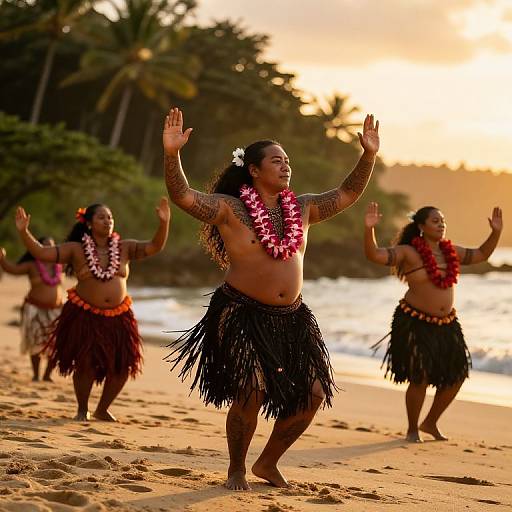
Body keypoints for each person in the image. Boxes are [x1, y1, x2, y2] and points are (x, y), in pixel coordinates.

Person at [162, 107, 380, 490]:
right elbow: (182, 196)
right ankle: (236, 468)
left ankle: (268, 462)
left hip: (293, 319)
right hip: (241, 312)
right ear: (254, 170)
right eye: (277, 161)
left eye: (288, 161)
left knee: (313, 393)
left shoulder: (305, 207)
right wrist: (171, 154)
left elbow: (348, 194)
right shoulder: (231, 210)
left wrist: (368, 156)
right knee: (251, 388)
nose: (286, 167)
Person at [14, 198, 171, 421]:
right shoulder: (76, 250)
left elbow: (154, 246)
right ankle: (82, 409)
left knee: (122, 366)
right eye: (101, 217)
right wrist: (24, 232)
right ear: (89, 223)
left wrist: (163, 223)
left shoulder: (125, 247)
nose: (107, 221)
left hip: (119, 316)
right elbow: (41, 253)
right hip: (85, 316)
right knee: (85, 363)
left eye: (110, 217)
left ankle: (102, 408)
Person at [364, 202, 503, 442]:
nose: (441, 225)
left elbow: (481, 254)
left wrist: (496, 232)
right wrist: (369, 230)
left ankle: (430, 423)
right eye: (435, 221)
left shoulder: (452, 252)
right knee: (420, 376)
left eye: (443, 221)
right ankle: (412, 429)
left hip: (447, 324)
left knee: (456, 375)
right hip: (414, 321)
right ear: (421, 226)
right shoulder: (408, 252)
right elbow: (375, 255)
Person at [0, 238, 63, 381]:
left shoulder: (60, 265)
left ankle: (47, 376)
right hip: (35, 309)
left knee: (55, 345)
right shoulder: (32, 265)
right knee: (35, 343)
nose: (48, 250)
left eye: (51, 247)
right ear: (37, 248)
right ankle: (36, 375)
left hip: (56, 311)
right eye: (44, 247)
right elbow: (12, 269)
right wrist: (2, 259)